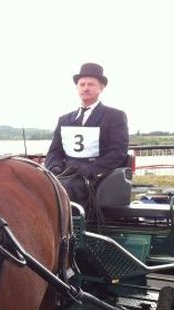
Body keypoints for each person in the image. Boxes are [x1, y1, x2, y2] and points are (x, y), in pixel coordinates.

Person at [45, 62, 129, 208]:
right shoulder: (64, 119)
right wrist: (55, 167)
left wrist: (91, 169)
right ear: (77, 88)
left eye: (91, 84)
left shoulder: (114, 116)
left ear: (101, 87)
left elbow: (118, 152)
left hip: (96, 174)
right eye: (82, 84)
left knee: (68, 187)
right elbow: (54, 151)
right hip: (66, 172)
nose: (86, 88)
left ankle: (67, 228)